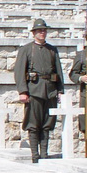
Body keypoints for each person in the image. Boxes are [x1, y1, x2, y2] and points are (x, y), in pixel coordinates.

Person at [14, 19, 65, 163]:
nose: (42, 33)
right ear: (34, 33)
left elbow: (58, 71)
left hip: (50, 91)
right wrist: (23, 91)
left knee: (47, 124)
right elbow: (19, 72)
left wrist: (60, 90)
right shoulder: (26, 49)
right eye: (39, 30)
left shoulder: (52, 50)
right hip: (34, 91)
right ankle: (35, 155)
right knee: (33, 124)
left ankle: (44, 153)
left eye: (44, 30)